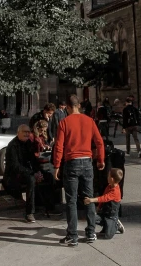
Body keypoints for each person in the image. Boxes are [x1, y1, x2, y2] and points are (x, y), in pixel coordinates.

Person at [53, 94, 106, 247]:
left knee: (71, 201)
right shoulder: (89, 121)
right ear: (79, 106)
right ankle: (90, 233)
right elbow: (99, 142)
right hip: (87, 161)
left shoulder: (64, 122)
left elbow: (59, 146)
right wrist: (101, 160)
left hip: (72, 162)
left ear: (69, 107)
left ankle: (72, 235)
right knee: (89, 198)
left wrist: (57, 165)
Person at [3, 124, 39, 222]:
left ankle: (48, 206)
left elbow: (33, 160)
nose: (27, 134)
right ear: (18, 133)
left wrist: (38, 171)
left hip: (26, 172)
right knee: (31, 180)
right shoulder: (12, 145)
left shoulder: (28, 143)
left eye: (28, 132)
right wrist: (32, 173)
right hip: (14, 176)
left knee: (48, 176)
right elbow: (15, 166)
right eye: (25, 132)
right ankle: (29, 213)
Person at [84, 168, 125, 239]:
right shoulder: (109, 186)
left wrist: (91, 200)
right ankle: (92, 231)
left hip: (111, 216)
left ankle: (116, 225)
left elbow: (104, 198)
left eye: (108, 176)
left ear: (112, 179)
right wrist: (98, 208)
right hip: (104, 213)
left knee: (108, 236)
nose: (107, 177)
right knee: (92, 217)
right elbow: (103, 198)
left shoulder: (115, 191)